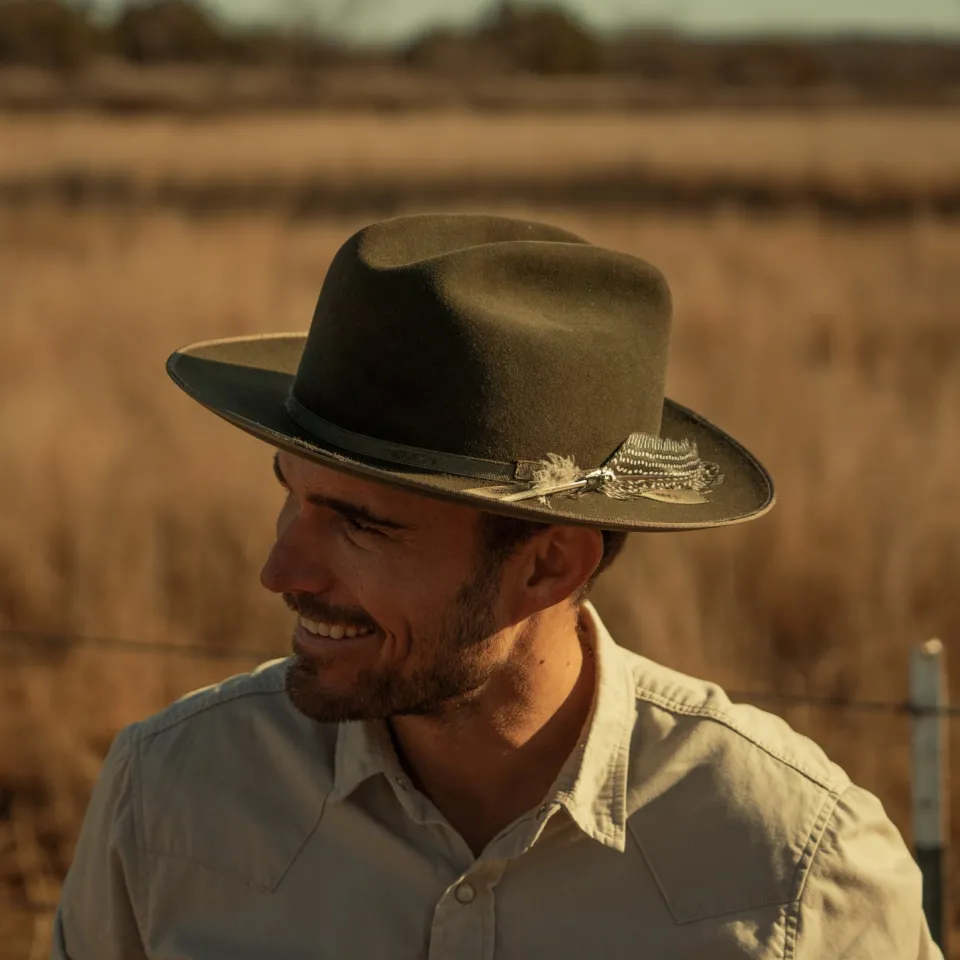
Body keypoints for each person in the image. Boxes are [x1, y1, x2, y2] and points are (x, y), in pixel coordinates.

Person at [51, 214, 941, 959]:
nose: (280, 570)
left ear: (551, 563)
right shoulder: (170, 795)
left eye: (362, 524)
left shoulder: (792, 865)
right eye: (292, 498)